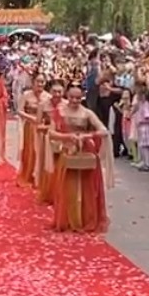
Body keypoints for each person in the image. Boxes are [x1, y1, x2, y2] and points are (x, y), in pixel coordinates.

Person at [45, 93, 113, 232]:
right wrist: (68, 136)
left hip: (86, 151)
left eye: (77, 98)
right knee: (67, 185)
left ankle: (86, 219)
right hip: (68, 151)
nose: (74, 100)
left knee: (88, 187)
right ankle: (69, 219)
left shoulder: (87, 113)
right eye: (72, 97)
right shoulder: (60, 112)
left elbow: (104, 130)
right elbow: (51, 133)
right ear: (68, 97)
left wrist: (87, 136)